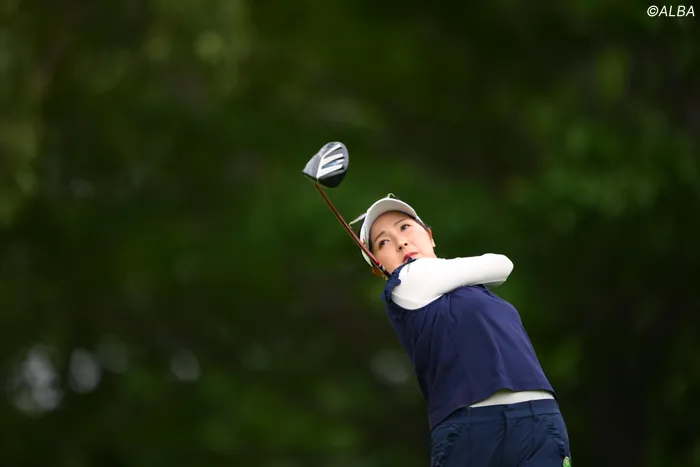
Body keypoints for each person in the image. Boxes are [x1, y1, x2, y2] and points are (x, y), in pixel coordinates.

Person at [351, 194, 573, 467]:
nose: (401, 242)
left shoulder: (472, 288)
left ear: (429, 236)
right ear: (378, 267)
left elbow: (502, 265)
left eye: (405, 227)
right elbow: (499, 264)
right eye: (383, 242)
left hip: (539, 419)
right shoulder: (404, 283)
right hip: (471, 428)